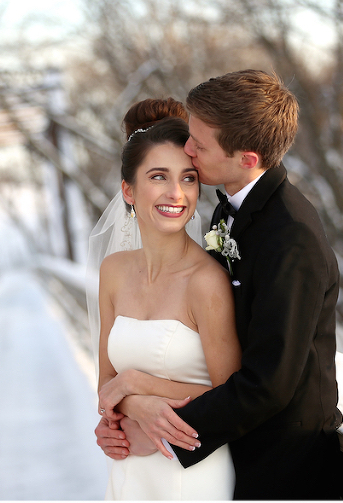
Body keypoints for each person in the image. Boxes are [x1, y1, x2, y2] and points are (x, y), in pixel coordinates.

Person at [95, 70, 343, 499]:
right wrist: (130, 407)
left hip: (285, 471)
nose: (189, 151)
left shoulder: (291, 238)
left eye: (199, 146)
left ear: (247, 159)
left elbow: (266, 384)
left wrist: (161, 434)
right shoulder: (228, 215)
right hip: (213, 454)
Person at [87, 97, 242, 499]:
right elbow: (107, 380)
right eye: (158, 176)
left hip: (191, 472)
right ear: (129, 190)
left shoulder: (207, 281)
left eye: (188, 178)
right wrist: (119, 415)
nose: (176, 193)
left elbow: (233, 395)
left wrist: (136, 385)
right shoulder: (114, 272)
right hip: (128, 471)